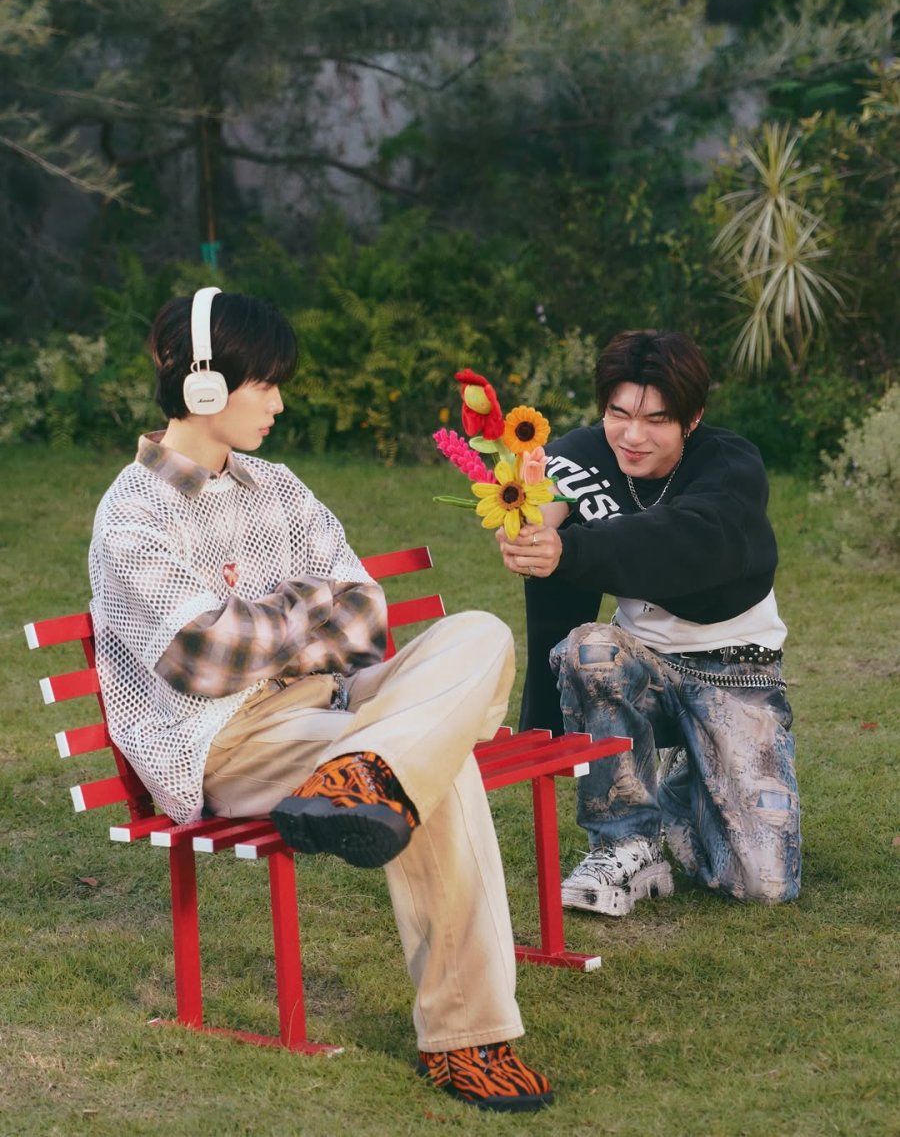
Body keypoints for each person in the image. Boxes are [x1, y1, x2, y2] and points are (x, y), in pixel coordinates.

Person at [88, 287, 553, 1113]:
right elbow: (205, 656)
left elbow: (365, 613)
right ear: (202, 384)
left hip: (335, 705)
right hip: (227, 739)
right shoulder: (133, 513)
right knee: (438, 769)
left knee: (480, 633)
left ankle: (366, 769)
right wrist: (308, 608)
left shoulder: (278, 485)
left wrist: (266, 621)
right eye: (264, 383)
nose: (278, 402)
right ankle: (468, 1039)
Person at [496, 329, 800, 917]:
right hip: (642, 664)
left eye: (656, 420)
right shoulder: (586, 452)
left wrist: (571, 550)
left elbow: (682, 543)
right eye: (619, 414)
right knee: (591, 648)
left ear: (692, 418)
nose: (633, 436)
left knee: (762, 884)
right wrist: (528, 530)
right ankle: (627, 844)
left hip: (737, 672)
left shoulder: (731, 465)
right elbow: (545, 512)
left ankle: (686, 778)